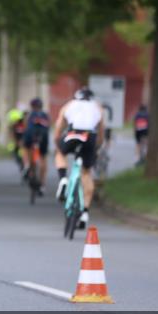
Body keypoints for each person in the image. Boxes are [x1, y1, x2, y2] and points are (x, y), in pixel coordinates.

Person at [54, 87, 105, 228]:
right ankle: (85, 212)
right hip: (90, 137)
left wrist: (57, 143)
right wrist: (97, 147)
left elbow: (58, 127)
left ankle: (63, 178)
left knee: (60, 154)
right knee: (86, 173)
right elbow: (101, 132)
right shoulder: (97, 107)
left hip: (73, 134)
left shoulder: (69, 105)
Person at [21, 97, 50, 195]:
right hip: (43, 136)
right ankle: (42, 185)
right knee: (43, 158)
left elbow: (25, 127)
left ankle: (27, 165)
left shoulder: (29, 115)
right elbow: (48, 127)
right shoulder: (45, 115)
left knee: (26, 148)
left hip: (30, 135)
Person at [7, 104, 27, 172]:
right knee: (16, 153)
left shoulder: (27, 123)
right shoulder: (16, 125)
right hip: (18, 142)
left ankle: (25, 165)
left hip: (25, 142)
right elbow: (13, 134)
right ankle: (22, 165)